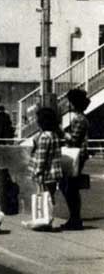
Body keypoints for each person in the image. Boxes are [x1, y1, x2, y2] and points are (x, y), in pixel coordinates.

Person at [28, 106, 62, 231]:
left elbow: (41, 157)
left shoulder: (44, 137)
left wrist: (38, 172)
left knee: (42, 197)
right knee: (50, 197)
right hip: (54, 172)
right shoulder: (54, 135)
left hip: (45, 173)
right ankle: (48, 220)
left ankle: (43, 221)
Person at [61, 88, 90, 230]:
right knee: (71, 186)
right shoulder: (81, 118)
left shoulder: (79, 119)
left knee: (70, 186)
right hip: (79, 153)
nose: (68, 104)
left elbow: (73, 139)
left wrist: (62, 132)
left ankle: (75, 218)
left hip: (77, 153)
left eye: (70, 102)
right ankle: (74, 218)